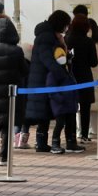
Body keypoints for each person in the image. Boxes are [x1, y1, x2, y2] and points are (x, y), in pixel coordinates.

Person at [26, 10, 72, 153]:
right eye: (65, 25)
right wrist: (62, 73)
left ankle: (41, 143)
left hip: (40, 79)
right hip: (43, 80)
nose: (66, 29)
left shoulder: (46, 35)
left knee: (44, 113)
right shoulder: (47, 37)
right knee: (43, 113)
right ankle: (41, 143)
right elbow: (48, 60)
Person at [0, 18, 28, 165]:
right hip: (11, 92)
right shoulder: (17, 51)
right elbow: (24, 70)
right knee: (8, 125)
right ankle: (4, 157)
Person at [65, 14, 98, 144]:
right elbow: (94, 62)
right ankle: (84, 134)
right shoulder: (88, 41)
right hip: (85, 76)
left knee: (71, 107)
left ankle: (72, 134)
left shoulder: (66, 39)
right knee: (85, 107)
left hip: (69, 75)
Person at [47, 47, 83, 153]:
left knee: (71, 123)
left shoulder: (67, 70)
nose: (62, 58)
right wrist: (60, 99)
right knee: (59, 124)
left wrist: (75, 98)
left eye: (63, 56)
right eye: (59, 56)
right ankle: (55, 144)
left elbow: (73, 84)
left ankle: (71, 143)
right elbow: (51, 89)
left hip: (70, 102)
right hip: (60, 104)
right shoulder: (53, 72)